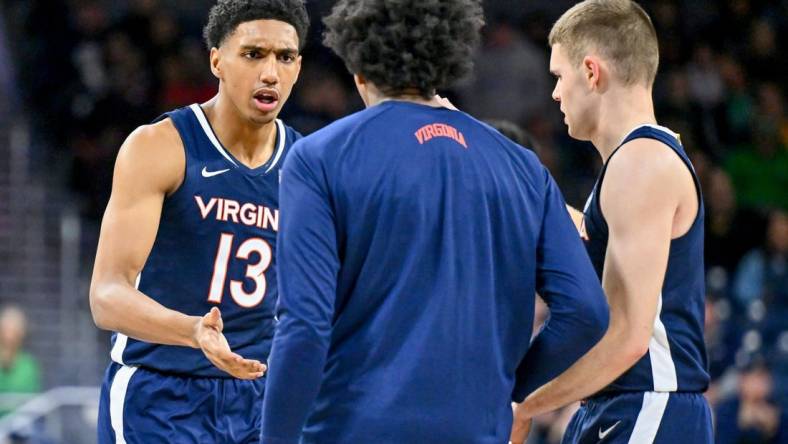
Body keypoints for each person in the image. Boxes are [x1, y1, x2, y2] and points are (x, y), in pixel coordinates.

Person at [259, 0, 609, 442]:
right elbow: (587, 312)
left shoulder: (318, 158)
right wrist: (508, 385)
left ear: (358, 66)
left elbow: (303, 328)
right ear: (445, 61)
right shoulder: (522, 166)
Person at [88, 0, 307, 442]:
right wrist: (191, 331)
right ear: (217, 61)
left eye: (284, 57)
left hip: (259, 396)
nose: (270, 73)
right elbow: (106, 296)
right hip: (160, 394)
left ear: (298, 67)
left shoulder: (308, 164)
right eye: (253, 54)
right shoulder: (160, 146)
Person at [511, 1, 712, 443]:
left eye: (558, 76)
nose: (554, 93)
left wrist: (528, 404)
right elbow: (590, 235)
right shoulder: (635, 164)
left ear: (590, 71)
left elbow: (629, 337)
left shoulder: (640, 163)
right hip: (624, 405)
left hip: (647, 403)